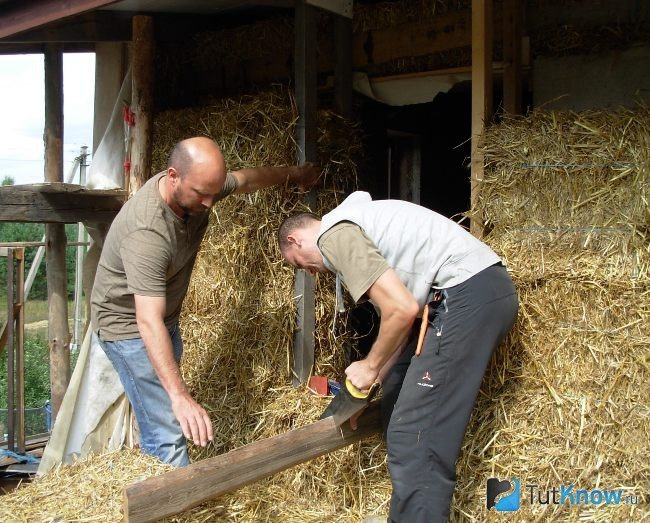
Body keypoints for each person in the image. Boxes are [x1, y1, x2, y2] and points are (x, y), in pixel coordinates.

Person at [277, 191, 518, 522]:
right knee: (396, 398)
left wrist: (368, 365)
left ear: (296, 240)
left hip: (464, 294)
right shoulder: (356, 227)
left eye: (297, 264)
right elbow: (403, 322)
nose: (310, 273)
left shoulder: (334, 235)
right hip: (464, 296)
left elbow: (402, 310)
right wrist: (371, 382)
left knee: (413, 435)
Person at [91, 136, 319, 467]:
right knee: (167, 431)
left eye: (213, 193)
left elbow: (248, 179)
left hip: (164, 319)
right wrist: (180, 396)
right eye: (202, 194)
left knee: (163, 416)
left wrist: (295, 174)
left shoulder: (200, 187)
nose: (210, 203)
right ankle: (177, 509)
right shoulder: (147, 234)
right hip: (128, 328)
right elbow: (146, 321)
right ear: (173, 177)